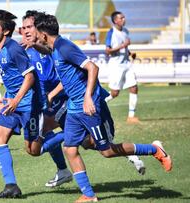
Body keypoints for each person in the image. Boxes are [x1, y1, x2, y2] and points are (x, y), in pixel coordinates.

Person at [35, 14, 172, 202]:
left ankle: (154, 149)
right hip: (74, 107)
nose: (32, 34)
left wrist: (88, 98)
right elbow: (50, 53)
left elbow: (93, 67)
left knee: (106, 151)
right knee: (70, 149)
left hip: (88, 106)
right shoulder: (55, 48)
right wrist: (32, 45)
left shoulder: (65, 47)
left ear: (43, 34)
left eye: (34, 32)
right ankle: (89, 195)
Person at [0, 10, 46, 199]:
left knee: (33, 151)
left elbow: (29, 77)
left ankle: (63, 136)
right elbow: (11, 78)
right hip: (12, 102)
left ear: (5, 31)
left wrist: (16, 100)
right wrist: (6, 99)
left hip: (29, 104)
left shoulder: (14, 48)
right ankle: (11, 186)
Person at [20, 10, 72, 187]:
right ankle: (63, 170)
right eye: (23, 27)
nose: (26, 31)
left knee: (36, 146)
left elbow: (66, 78)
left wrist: (51, 94)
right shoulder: (23, 50)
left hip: (64, 99)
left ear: (40, 28)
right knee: (44, 137)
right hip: (44, 102)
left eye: (30, 27)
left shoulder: (51, 47)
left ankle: (129, 151)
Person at [104, 11, 140, 124]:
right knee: (115, 93)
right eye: (121, 18)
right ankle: (97, 103)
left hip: (126, 64)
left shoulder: (125, 31)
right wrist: (123, 46)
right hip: (116, 66)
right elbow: (108, 51)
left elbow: (124, 49)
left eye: (124, 17)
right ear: (115, 21)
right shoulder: (111, 33)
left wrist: (129, 53)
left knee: (134, 87)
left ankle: (131, 116)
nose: (124, 19)